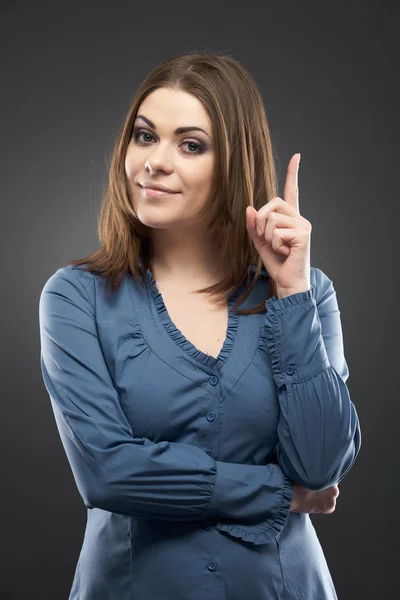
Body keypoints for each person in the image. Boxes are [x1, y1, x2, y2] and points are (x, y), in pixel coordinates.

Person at [39, 52, 361, 600]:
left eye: (190, 145)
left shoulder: (309, 292)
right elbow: (108, 473)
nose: (154, 162)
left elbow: (322, 466)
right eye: (144, 136)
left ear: (234, 162)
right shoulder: (77, 296)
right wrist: (278, 493)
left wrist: (290, 293)